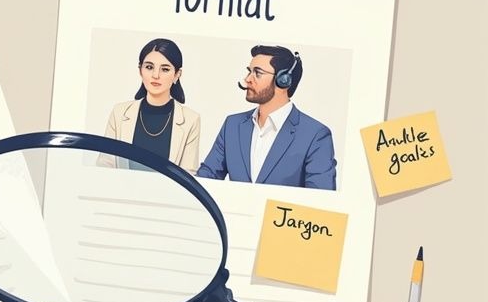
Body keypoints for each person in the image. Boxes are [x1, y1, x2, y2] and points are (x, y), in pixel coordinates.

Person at [197, 46, 336, 190]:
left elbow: (321, 200)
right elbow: (207, 177)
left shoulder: (315, 135)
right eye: (249, 71)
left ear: (283, 80)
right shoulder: (232, 125)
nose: (247, 79)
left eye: (257, 73)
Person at [97, 38, 201, 173]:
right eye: (149, 67)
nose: (155, 75)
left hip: (166, 194)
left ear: (177, 75)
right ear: (140, 70)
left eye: (165, 69)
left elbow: (189, 175)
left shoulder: (191, 119)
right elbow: (105, 166)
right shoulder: (120, 112)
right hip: (121, 192)